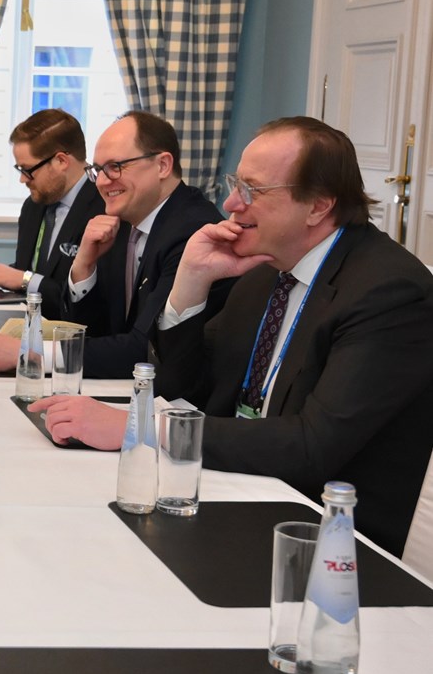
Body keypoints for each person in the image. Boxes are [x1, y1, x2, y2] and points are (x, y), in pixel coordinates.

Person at [37, 117, 433, 553]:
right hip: (242, 491)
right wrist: (190, 282)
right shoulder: (266, 272)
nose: (229, 204)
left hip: (329, 539)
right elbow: (183, 389)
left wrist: (147, 428)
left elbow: (312, 446)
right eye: (234, 184)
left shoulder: (390, 292)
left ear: (318, 206)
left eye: (252, 190)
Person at [0, 111, 227, 377]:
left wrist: (30, 353)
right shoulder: (122, 219)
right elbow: (92, 330)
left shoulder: (194, 231)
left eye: (116, 167)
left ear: (162, 165)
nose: (102, 182)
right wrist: (84, 267)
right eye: (98, 170)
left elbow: (147, 349)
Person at [0, 108, 104, 319]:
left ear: (61, 161)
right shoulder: (33, 205)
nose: (23, 179)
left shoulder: (103, 210)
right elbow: (32, 271)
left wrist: (22, 279)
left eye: (28, 170)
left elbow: (89, 300)